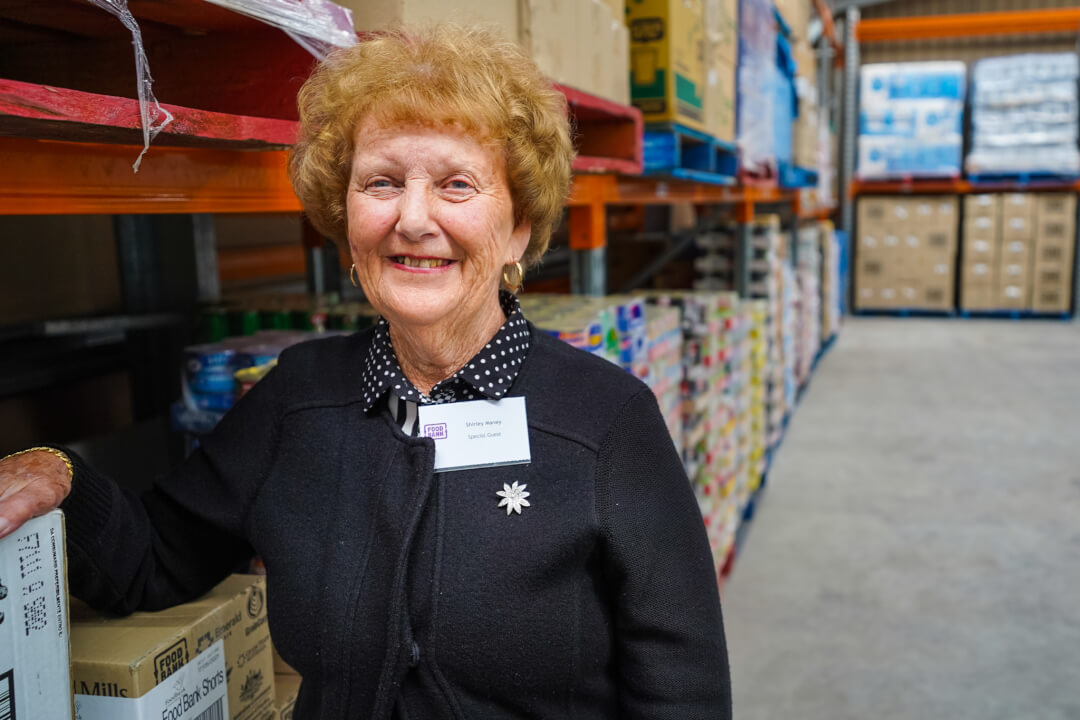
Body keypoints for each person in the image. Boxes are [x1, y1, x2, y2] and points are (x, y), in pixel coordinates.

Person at [0, 24, 731, 719]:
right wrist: (59, 474)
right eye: (381, 183)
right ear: (345, 220)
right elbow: (156, 557)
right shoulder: (299, 398)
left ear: (517, 228)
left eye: (456, 186)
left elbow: (681, 686)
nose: (413, 220)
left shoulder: (604, 421)